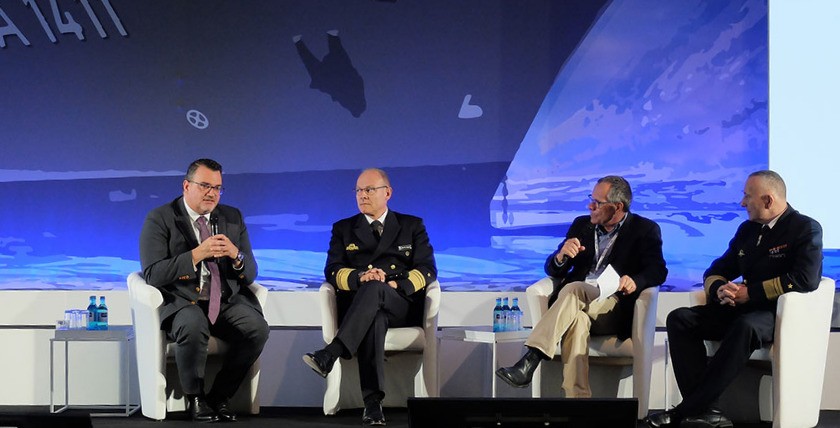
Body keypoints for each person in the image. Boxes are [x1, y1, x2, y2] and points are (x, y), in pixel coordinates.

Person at [644, 170, 823, 428]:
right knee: (680, 319)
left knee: (746, 326)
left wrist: (750, 292)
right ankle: (705, 409)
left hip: (774, 315)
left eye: (747, 197)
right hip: (740, 309)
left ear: (768, 200)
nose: (742, 203)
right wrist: (718, 289)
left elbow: (806, 279)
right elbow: (717, 269)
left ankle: (684, 411)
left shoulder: (805, 228)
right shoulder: (748, 229)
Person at [496, 175, 667, 398]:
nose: (590, 206)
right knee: (577, 319)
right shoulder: (581, 225)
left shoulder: (644, 229)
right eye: (590, 199)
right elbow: (553, 270)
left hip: (611, 305)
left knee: (574, 288)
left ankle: (532, 358)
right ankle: (578, 404)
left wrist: (635, 281)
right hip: (575, 304)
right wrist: (561, 257)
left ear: (617, 207)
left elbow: (658, 270)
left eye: (597, 202)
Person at [303, 168, 436, 426]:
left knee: (378, 289)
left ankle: (332, 352)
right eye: (359, 190)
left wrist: (396, 284)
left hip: (400, 304)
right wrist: (360, 277)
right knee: (373, 311)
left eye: (369, 190)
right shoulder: (343, 228)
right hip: (361, 308)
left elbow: (427, 269)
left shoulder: (411, 225)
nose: (362, 195)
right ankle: (373, 405)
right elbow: (332, 271)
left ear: (388, 193)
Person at [139, 158, 269, 423]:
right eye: (205, 186)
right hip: (183, 301)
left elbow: (251, 273)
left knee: (257, 329)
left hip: (225, 301)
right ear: (187, 186)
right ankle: (195, 398)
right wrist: (195, 255)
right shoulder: (161, 218)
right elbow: (152, 274)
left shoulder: (232, 217)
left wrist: (236, 255)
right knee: (193, 323)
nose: (212, 193)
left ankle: (219, 396)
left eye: (218, 188)